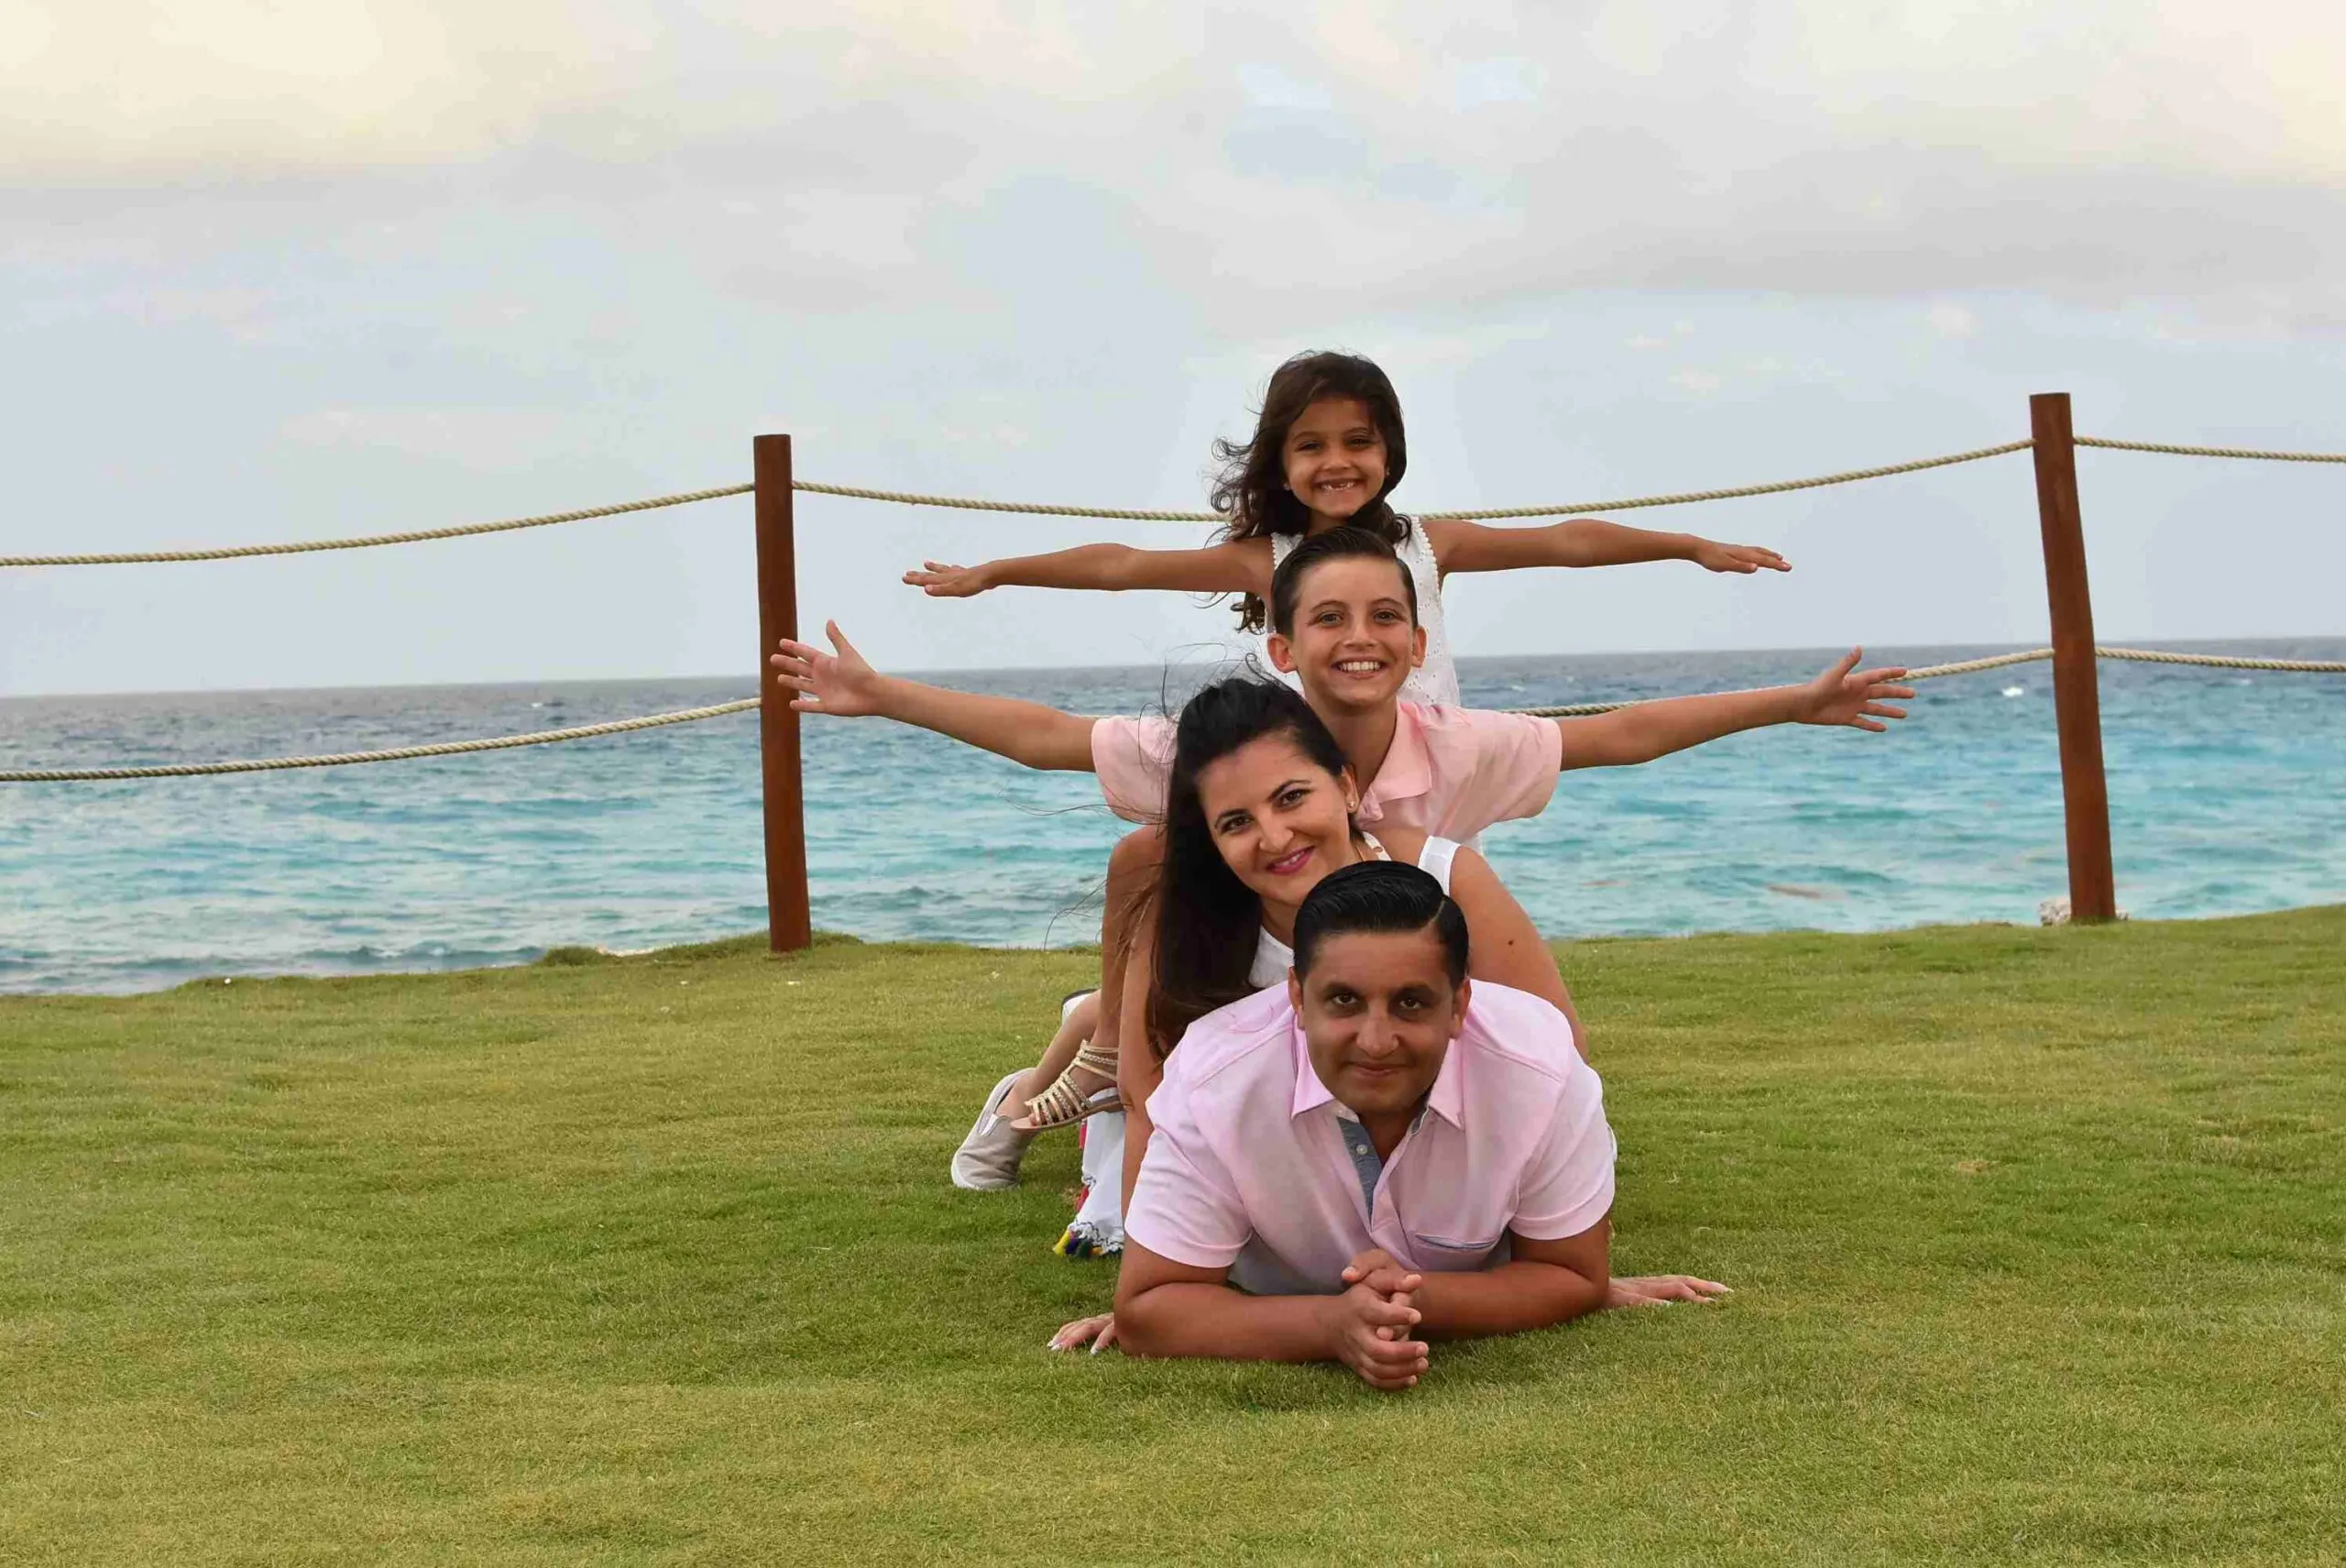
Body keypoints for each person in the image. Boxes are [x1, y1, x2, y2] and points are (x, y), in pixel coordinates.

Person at [772, 526, 1913, 1163]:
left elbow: (1622, 733)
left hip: (1375, 976)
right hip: (1242, 983)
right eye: (1326, 619)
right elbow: (1047, 737)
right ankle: (1107, 1058)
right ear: (1279, 644)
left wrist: (1787, 703)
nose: (1356, 639)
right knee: (1151, 902)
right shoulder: (1232, 748)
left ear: (1418, 643)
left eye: (1382, 619)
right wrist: (886, 695)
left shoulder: (1455, 745)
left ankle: (1108, 1042)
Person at [903, 350, 1789, 707]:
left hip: (1436, 770)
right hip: (1319, 783)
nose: (1338, 462)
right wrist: (997, 571)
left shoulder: (1432, 545)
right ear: (1281, 463)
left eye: (1359, 442)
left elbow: (1568, 540)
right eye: (1312, 445)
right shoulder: (1273, 559)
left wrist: (1689, 546)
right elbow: (1123, 563)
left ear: (1389, 451)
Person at [1110, 859, 1658, 1386]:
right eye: (1344, 1000)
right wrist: (1329, 1327)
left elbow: (1575, 1274)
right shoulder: (1215, 1080)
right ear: (1297, 996)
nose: (1376, 1042)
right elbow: (1149, 1308)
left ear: (1459, 1004)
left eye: (1411, 1003)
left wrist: (1414, 1300)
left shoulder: (1540, 1066)